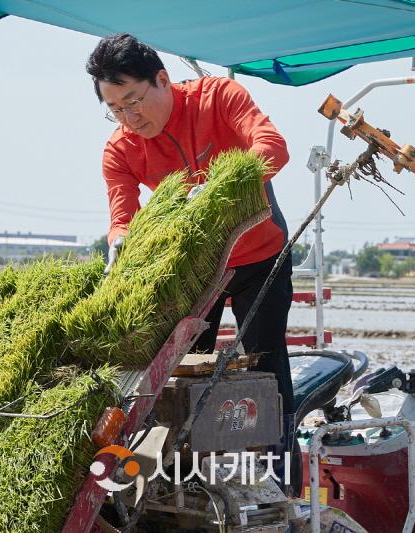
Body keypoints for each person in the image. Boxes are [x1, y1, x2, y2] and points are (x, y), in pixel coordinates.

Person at [86, 34, 296, 454]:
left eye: (134, 100)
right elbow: (122, 215)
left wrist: (219, 188)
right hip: (198, 270)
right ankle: (192, 475)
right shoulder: (120, 150)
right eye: (115, 109)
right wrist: (120, 242)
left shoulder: (218, 97)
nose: (129, 117)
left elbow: (272, 147)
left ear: (162, 79)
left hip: (260, 254)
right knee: (183, 371)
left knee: (266, 365)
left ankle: (281, 468)